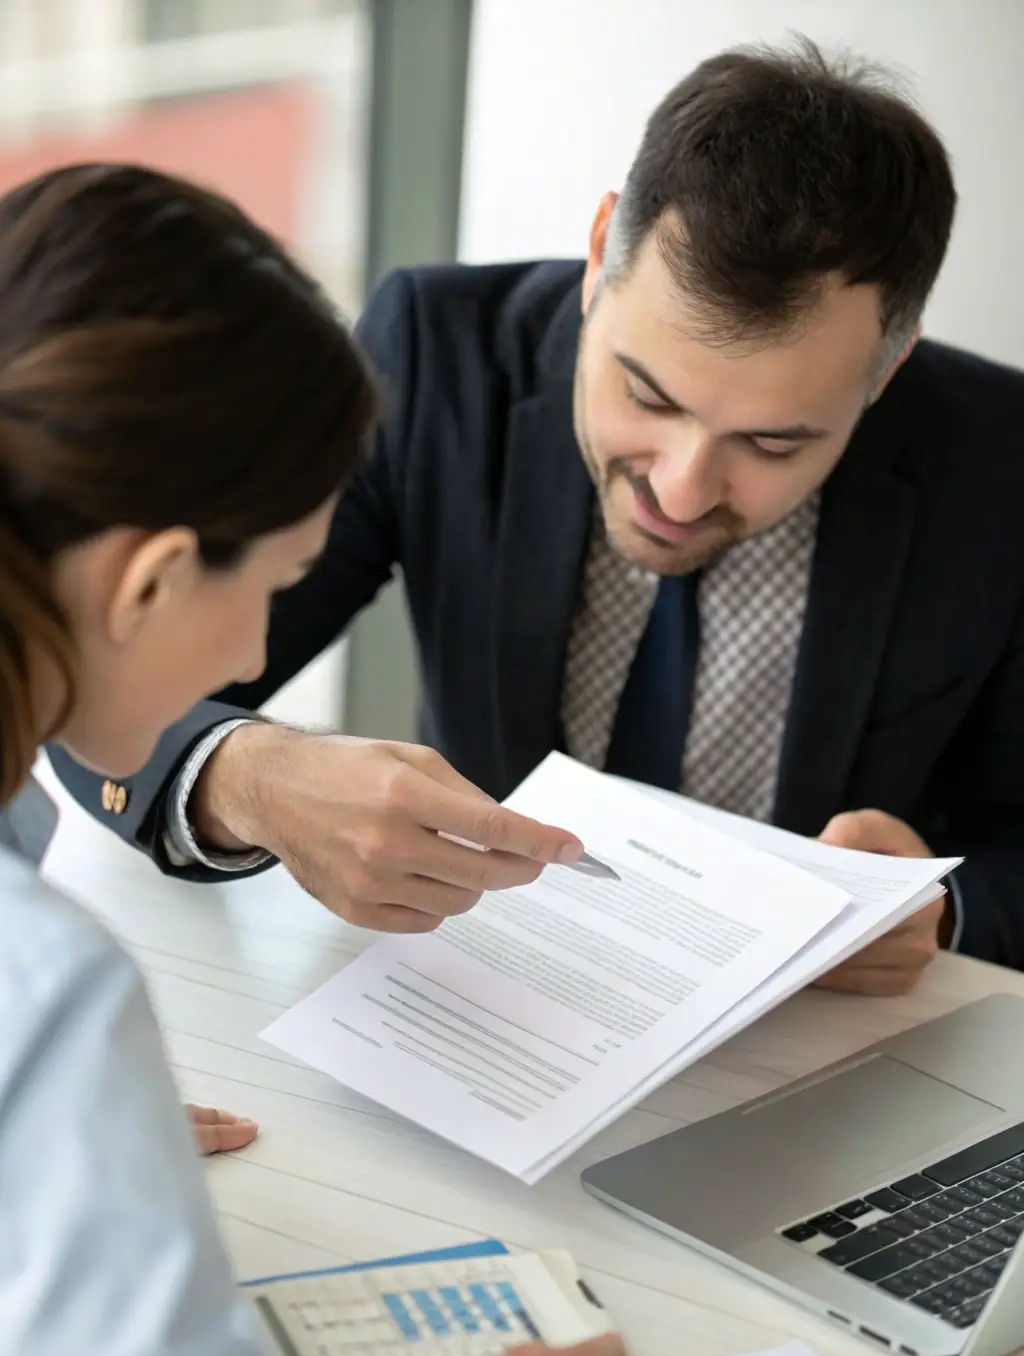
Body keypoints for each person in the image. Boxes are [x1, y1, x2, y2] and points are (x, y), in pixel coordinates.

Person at [52, 39, 1024, 991]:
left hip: (836, 1066)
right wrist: (254, 781)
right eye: (646, 395)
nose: (680, 491)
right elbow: (89, 663)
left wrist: (948, 913)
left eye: (773, 445)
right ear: (601, 253)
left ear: (886, 368)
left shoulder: (1000, 465)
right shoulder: (434, 356)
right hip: (483, 1008)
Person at [0, 162, 613, 1356]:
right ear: (151, 579)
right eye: (276, 589)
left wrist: (62, 1143)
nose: (252, 651)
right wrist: (61, 1109)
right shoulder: (46, 989)